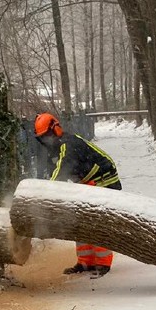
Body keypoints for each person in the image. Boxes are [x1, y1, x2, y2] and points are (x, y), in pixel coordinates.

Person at [33, 112, 122, 276]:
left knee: (97, 222)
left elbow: (59, 174)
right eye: (43, 138)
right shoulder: (54, 151)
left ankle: (102, 263)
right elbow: (52, 174)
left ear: (56, 129)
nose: (47, 141)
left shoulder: (68, 144)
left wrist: (45, 194)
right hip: (86, 184)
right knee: (80, 223)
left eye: (48, 136)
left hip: (104, 180)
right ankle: (85, 263)